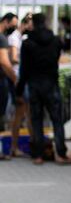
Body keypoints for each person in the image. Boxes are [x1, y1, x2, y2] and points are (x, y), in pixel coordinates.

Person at [17, 13, 69, 165]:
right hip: (52, 83)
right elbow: (57, 57)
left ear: (33, 23)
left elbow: (23, 69)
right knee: (57, 119)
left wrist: (19, 90)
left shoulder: (27, 43)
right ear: (45, 22)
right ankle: (61, 153)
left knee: (37, 119)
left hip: (34, 84)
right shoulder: (55, 40)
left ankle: (38, 155)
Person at [8, 14, 32, 157]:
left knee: (27, 113)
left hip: (22, 78)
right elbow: (13, 58)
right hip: (18, 78)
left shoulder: (21, 38)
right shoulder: (14, 38)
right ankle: (14, 146)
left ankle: (30, 144)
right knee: (20, 113)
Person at [0, 13, 18, 150]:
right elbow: (5, 63)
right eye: (13, 24)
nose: (14, 28)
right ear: (5, 22)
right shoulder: (2, 39)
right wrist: (15, 79)